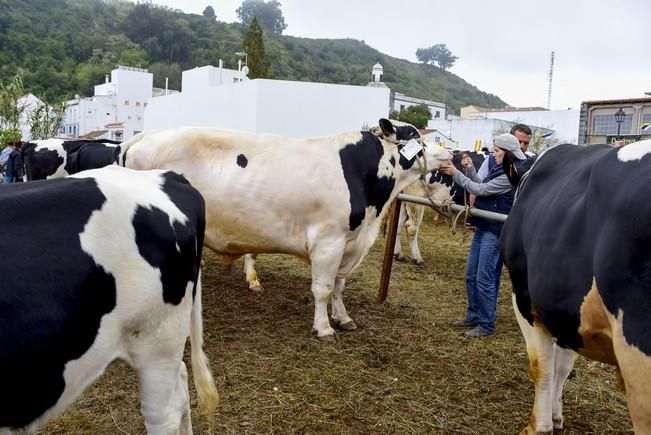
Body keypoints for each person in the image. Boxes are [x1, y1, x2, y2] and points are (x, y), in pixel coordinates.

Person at [439, 133, 526, 337]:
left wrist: (455, 173)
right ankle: (474, 315)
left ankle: (486, 324)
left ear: (507, 153)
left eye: (497, 151)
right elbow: (481, 183)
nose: (493, 154)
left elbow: (481, 189)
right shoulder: (500, 167)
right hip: (483, 225)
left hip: (495, 230)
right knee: (471, 274)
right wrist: (469, 169)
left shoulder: (509, 175)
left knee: (485, 277)